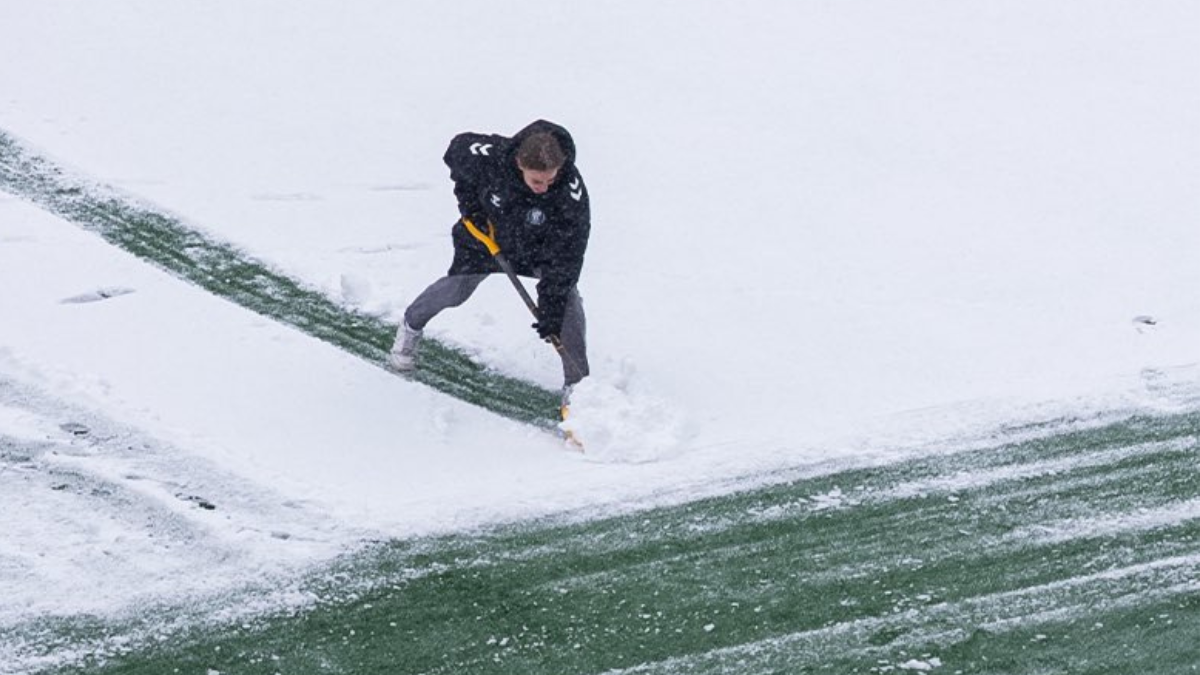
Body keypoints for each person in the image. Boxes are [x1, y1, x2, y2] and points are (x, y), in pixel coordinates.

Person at [388, 119, 591, 408]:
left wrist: (551, 306)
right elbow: (456, 152)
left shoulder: (571, 194)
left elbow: (568, 254)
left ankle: (578, 387)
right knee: (457, 290)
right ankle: (410, 326)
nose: (544, 188)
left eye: (550, 180)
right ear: (520, 163)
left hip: (539, 249)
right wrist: (469, 205)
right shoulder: (493, 155)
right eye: (536, 181)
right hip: (487, 236)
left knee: (567, 301)